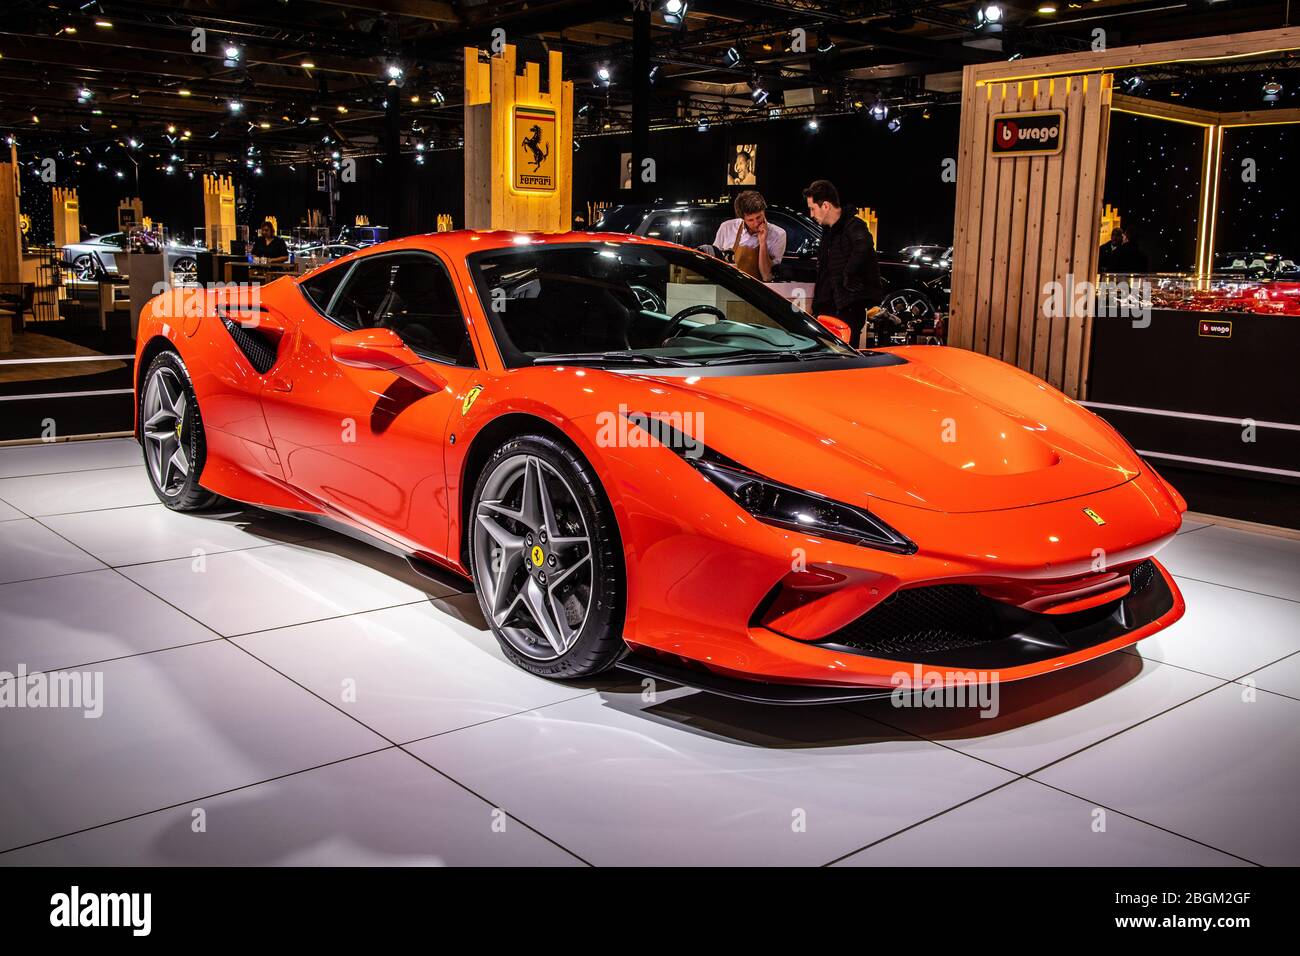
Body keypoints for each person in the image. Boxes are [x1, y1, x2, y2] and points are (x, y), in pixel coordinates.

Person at [803, 179, 882, 346]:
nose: (811, 214)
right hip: (828, 309)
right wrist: (816, 305)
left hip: (848, 308)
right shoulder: (827, 232)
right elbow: (824, 271)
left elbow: (864, 244)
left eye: (812, 208)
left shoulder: (853, 225)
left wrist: (848, 274)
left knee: (844, 358)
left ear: (825, 206)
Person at [710, 190, 786, 282]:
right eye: (750, 220)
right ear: (743, 219)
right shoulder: (726, 228)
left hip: (758, 292)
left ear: (764, 211)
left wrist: (763, 242)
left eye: (759, 217)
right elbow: (714, 265)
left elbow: (767, 276)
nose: (756, 223)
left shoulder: (778, 234)